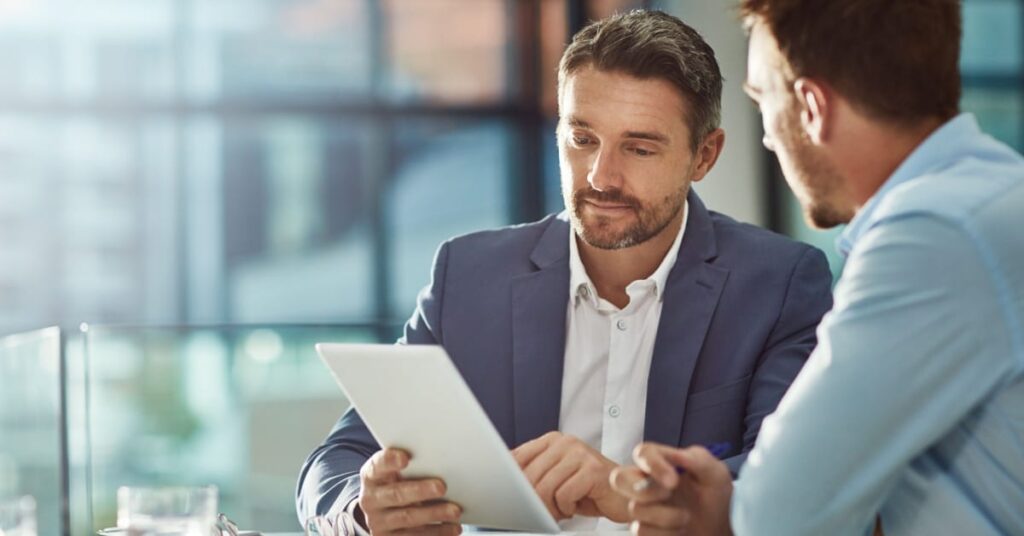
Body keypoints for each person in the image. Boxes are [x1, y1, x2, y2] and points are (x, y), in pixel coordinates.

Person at [297, 10, 833, 534]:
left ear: (703, 157)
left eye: (639, 147)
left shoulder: (780, 284)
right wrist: (365, 509)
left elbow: (791, 483)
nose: (601, 176)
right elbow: (335, 463)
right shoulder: (469, 275)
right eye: (582, 139)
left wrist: (627, 489)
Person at [611, 1, 1024, 535]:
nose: (765, 136)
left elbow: (779, 514)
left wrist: (726, 508)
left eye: (763, 101)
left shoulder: (932, 231)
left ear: (811, 106)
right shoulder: (992, 194)